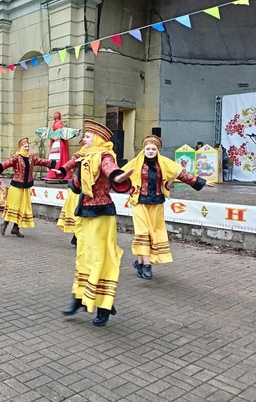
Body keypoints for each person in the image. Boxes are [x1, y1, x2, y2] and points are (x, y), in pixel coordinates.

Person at [56, 119, 133, 327]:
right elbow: (71, 169)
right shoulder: (84, 156)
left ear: (97, 139)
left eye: (88, 137)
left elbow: (110, 169)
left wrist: (119, 176)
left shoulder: (104, 156)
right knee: (83, 256)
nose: (84, 140)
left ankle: (104, 305)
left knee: (100, 258)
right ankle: (80, 297)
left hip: (101, 215)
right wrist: (62, 171)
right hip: (85, 212)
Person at [122, 135, 213, 280]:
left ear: (157, 150)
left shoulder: (164, 163)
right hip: (139, 202)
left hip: (157, 203)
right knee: (143, 232)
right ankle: (146, 266)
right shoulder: (135, 163)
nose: (150, 151)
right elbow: (119, 176)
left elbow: (182, 175)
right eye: (148, 149)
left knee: (154, 233)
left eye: (153, 149)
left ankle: (139, 263)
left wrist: (202, 182)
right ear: (143, 149)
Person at [0, 137, 56, 238]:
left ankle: (16, 228)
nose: (27, 148)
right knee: (14, 206)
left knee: (23, 208)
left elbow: (41, 161)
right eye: (25, 146)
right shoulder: (16, 157)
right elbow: (8, 163)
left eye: (28, 146)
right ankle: (5, 223)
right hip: (16, 186)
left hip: (26, 186)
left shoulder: (31, 157)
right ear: (21, 147)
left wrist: (52, 163)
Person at [56, 139, 88, 246]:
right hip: (76, 190)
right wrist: (62, 170)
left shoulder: (96, 156)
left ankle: (77, 237)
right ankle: (76, 237)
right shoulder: (78, 155)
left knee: (83, 216)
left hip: (87, 191)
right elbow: (70, 163)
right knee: (76, 214)